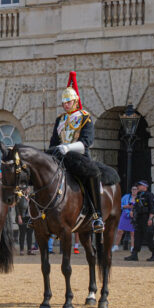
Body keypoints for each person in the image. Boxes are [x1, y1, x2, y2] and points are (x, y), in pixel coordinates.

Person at [49, 71, 103, 234]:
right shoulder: (60, 119)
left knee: (93, 174)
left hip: (78, 156)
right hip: (60, 156)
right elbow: (54, 141)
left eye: (69, 102)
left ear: (75, 101)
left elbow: (87, 142)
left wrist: (68, 147)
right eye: (64, 102)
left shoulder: (85, 117)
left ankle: (97, 215)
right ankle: (34, 213)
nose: (66, 105)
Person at [125, 180, 154, 262]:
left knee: (148, 237)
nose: (138, 187)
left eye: (139, 185)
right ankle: (134, 254)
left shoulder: (150, 195)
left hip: (146, 218)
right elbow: (136, 206)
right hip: (139, 219)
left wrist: (150, 219)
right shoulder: (139, 195)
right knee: (137, 237)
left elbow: (152, 208)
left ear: (145, 186)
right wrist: (132, 212)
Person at [116, 184, 138, 252]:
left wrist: (134, 211)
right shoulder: (126, 197)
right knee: (120, 231)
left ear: (137, 190)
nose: (134, 191)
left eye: (135, 189)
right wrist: (126, 206)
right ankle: (116, 246)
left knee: (133, 232)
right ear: (131, 190)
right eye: (133, 189)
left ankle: (132, 247)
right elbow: (119, 204)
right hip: (125, 215)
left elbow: (140, 207)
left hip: (134, 216)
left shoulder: (139, 198)